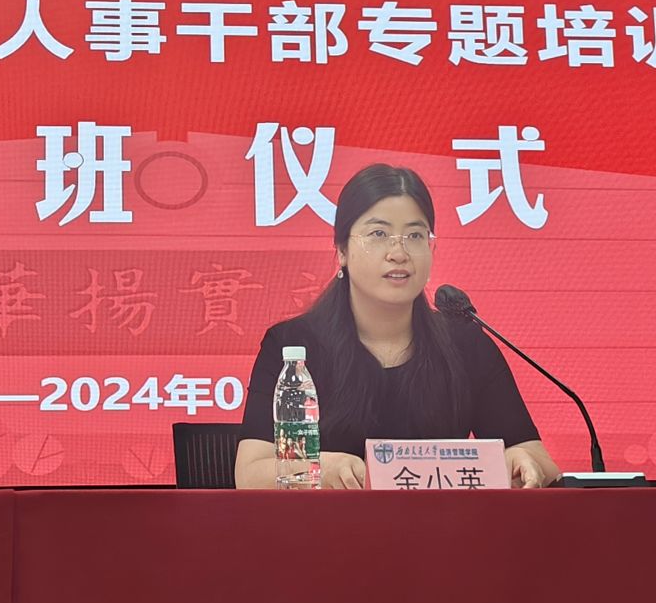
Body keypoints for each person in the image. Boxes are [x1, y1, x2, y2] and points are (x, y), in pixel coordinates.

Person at [233, 162, 561, 490]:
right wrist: (320, 469)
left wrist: (519, 461)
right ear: (342, 249)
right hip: (329, 523)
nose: (399, 253)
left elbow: (541, 461)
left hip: (445, 523)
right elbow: (249, 474)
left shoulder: (465, 344)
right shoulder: (294, 346)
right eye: (379, 234)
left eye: (415, 236)